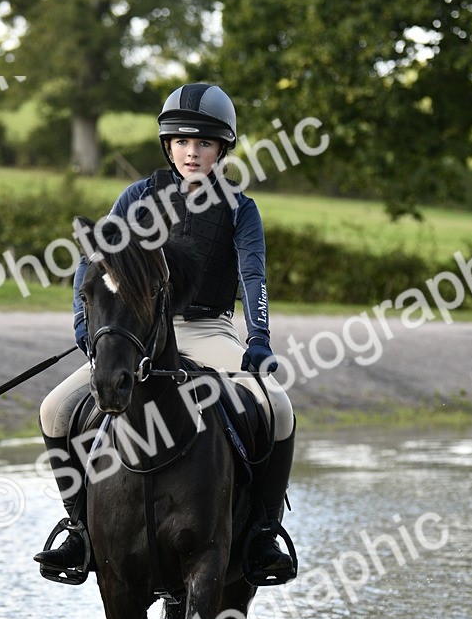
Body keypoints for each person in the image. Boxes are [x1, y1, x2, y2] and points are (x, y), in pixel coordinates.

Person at [34, 82, 297, 585]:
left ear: (222, 149)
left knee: (277, 407)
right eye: (181, 142)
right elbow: (95, 262)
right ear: (167, 146)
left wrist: (259, 338)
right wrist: (84, 326)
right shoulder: (137, 197)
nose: (192, 153)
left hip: (208, 330)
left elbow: (253, 276)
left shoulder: (241, 210)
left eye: (203, 144)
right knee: (53, 410)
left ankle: (263, 530)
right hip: (141, 329)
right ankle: (77, 527)